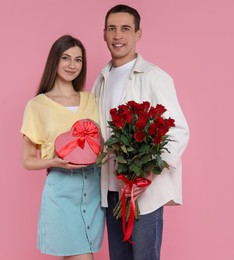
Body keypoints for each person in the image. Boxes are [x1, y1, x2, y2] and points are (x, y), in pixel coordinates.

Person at [92, 4, 190, 260]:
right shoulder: (100, 79)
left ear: (138, 34)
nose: (117, 36)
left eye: (125, 29)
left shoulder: (155, 77)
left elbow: (179, 131)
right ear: (103, 34)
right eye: (111, 29)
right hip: (112, 192)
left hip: (144, 194)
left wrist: (147, 173)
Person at [21, 35, 104, 260]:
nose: (72, 65)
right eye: (66, 58)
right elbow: (28, 159)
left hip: (93, 186)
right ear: (55, 60)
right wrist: (54, 162)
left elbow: (101, 143)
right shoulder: (37, 105)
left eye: (78, 60)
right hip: (61, 187)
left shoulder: (92, 100)